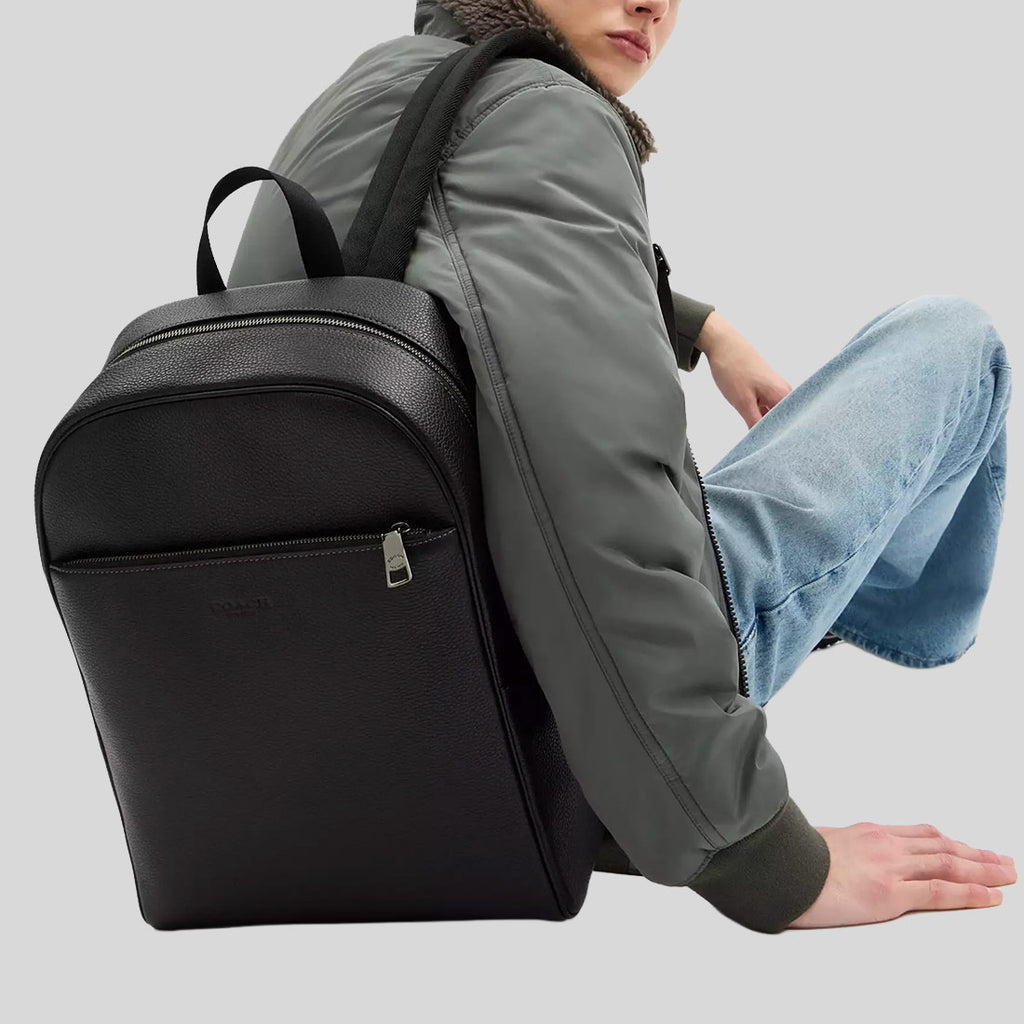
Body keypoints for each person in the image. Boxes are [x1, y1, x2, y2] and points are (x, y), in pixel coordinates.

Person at [226, 0, 1015, 931]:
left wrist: (702, 327)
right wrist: (762, 857)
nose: (655, 7)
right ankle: (861, 608)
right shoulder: (537, 112)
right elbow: (595, 507)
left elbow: (425, 261)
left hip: (360, 709)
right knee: (951, 341)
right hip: (548, 721)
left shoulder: (362, 96)